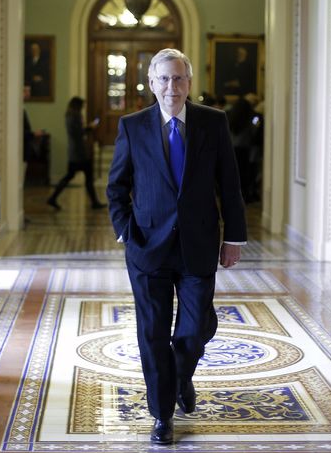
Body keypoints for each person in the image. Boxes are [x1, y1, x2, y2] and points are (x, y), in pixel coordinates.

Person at [107, 48, 247, 445]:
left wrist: (233, 238)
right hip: (147, 247)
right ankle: (162, 414)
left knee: (195, 327)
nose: (172, 87)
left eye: (179, 78)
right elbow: (116, 187)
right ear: (152, 83)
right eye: (164, 79)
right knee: (152, 332)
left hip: (198, 244)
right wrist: (125, 232)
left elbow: (230, 185)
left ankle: (181, 375)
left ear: (189, 83)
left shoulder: (212, 123)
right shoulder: (132, 126)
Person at [47, 96, 106, 210]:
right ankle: (94, 202)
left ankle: (53, 198)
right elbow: (79, 133)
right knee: (87, 178)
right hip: (80, 152)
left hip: (74, 152)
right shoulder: (75, 116)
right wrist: (90, 127)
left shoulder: (69, 116)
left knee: (70, 176)